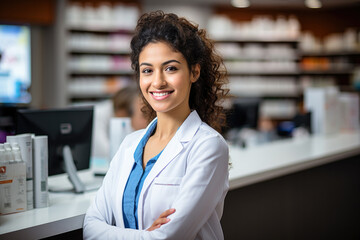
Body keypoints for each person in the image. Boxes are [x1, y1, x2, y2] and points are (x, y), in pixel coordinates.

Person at [83, 11, 229, 239]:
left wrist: (122, 234)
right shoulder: (129, 144)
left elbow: (167, 237)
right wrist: (145, 234)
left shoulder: (208, 146)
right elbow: (91, 227)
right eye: (147, 70)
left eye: (171, 68)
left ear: (194, 72)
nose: (158, 82)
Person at [92, 85, 148, 159]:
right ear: (123, 112)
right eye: (144, 115)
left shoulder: (125, 120)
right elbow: (107, 153)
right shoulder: (98, 115)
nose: (148, 121)